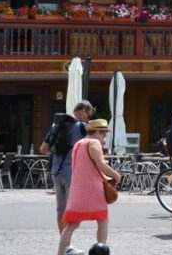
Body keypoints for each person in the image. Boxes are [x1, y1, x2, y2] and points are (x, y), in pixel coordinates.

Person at [56, 119, 121, 255]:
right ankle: (102, 250)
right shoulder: (94, 142)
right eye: (103, 135)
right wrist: (116, 175)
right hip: (93, 188)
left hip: (77, 189)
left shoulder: (78, 144)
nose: (104, 139)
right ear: (97, 132)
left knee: (72, 224)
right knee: (102, 220)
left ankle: (60, 253)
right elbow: (101, 165)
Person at [40, 100, 95, 255]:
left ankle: (65, 246)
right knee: (74, 212)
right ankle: (65, 248)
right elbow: (94, 147)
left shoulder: (56, 126)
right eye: (89, 114)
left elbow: (43, 148)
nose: (88, 118)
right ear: (83, 111)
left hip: (55, 172)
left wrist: (59, 149)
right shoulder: (81, 127)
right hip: (72, 173)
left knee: (61, 209)